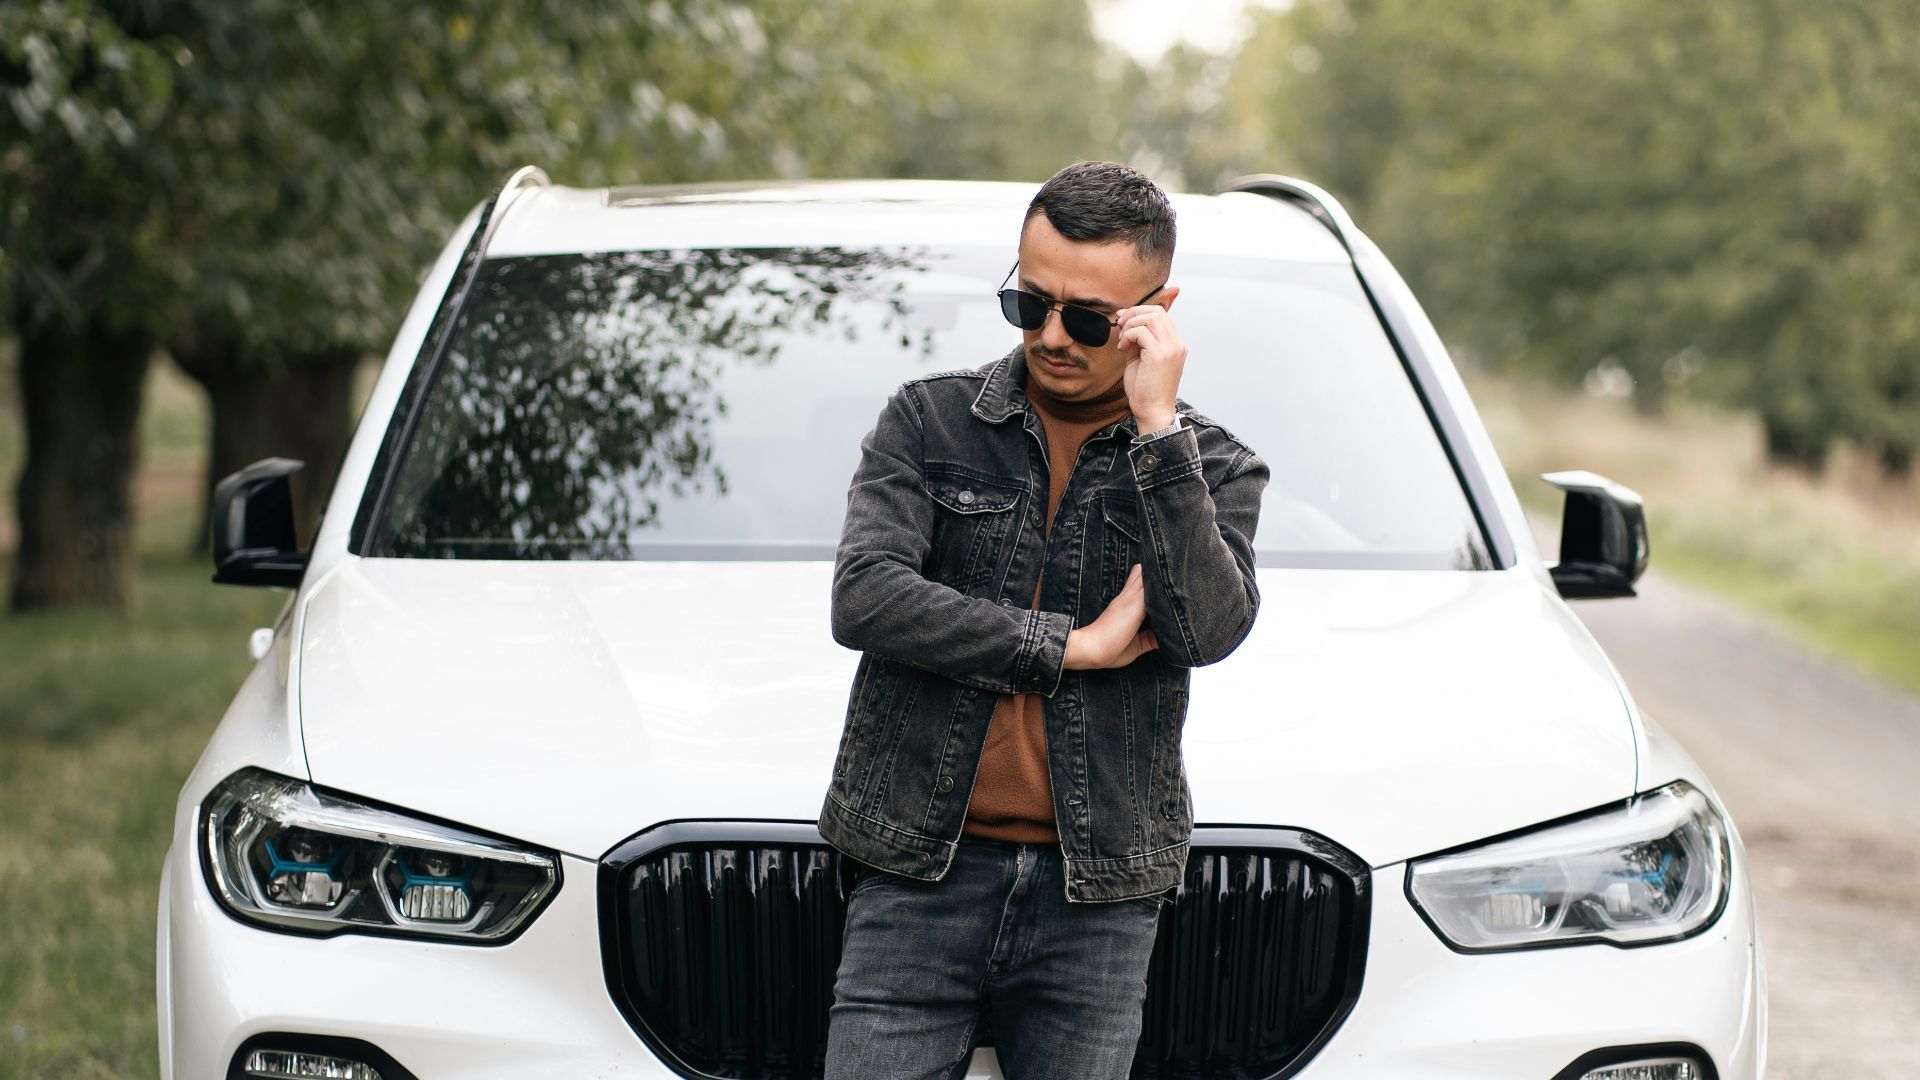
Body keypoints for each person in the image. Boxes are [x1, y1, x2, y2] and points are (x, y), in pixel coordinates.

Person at [818, 160, 1269, 1079]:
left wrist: (1156, 436)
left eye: (1090, 318)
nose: (1053, 337)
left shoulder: (1212, 465)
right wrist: (1069, 646)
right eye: (1031, 304)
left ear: (1158, 309)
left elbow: (1209, 630)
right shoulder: (929, 421)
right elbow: (865, 593)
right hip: (915, 875)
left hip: (1098, 900)